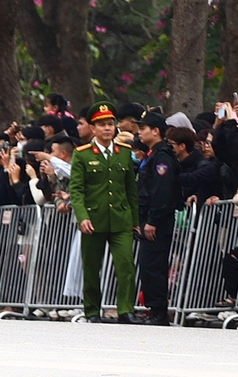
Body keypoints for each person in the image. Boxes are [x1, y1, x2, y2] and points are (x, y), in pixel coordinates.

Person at [71, 104, 138, 322]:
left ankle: (125, 309)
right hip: (94, 218)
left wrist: (135, 220)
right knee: (91, 268)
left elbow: (131, 190)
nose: (107, 129)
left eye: (110, 124)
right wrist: (82, 217)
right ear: (93, 128)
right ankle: (92, 310)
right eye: (102, 125)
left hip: (120, 218)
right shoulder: (82, 154)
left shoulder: (125, 153)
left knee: (125, 264)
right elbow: (77, 190)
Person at [135, 111, 178, 325]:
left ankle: (159, 311)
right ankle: (153, 308)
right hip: (148, 218)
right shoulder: (153, 155)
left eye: (143, 128)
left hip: (158, 221)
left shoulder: (162, 157)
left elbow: (161, 191)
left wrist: (152, 220)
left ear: (156, 131)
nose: (139, 132)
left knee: (154, 264)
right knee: (148, 264)